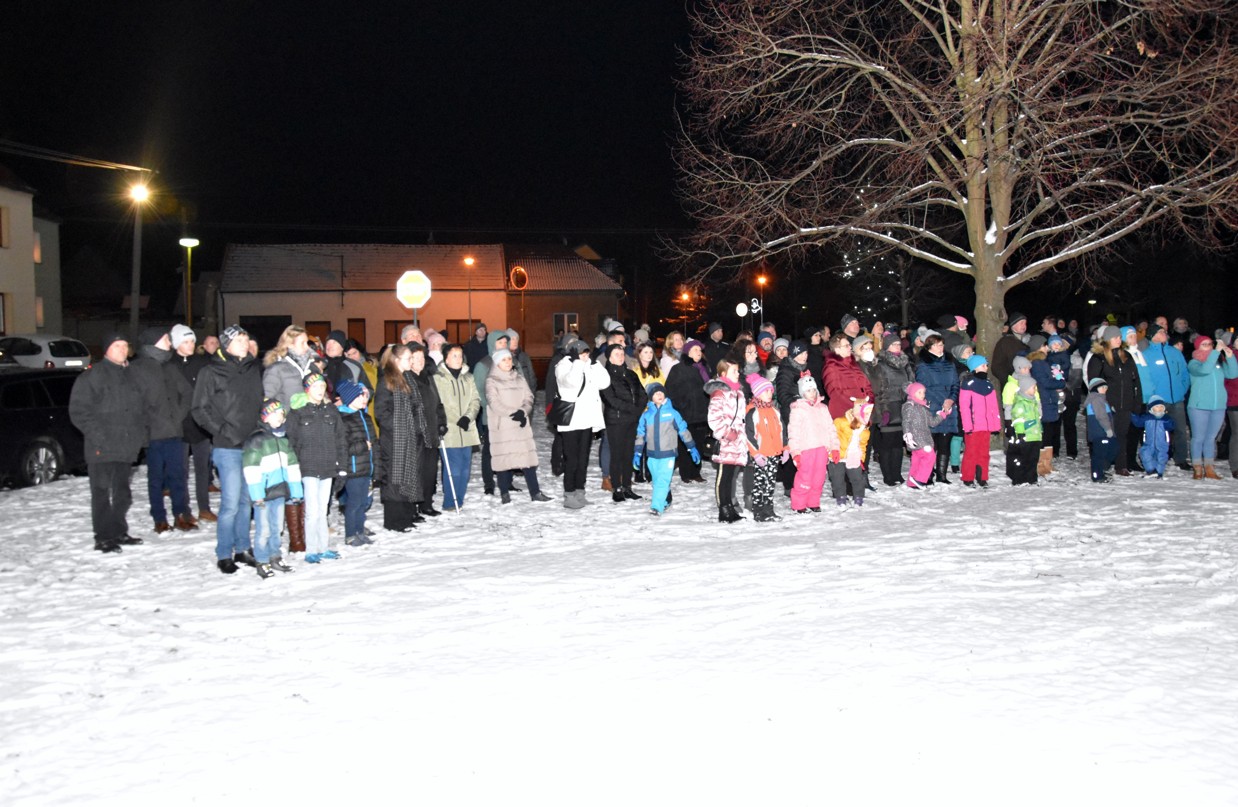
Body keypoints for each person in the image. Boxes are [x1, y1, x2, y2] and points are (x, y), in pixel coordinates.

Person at [192, 325, 265, 573]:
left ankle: (242, 548)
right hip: (227, 446)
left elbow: (260, 402)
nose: (245, 343)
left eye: (246, 339)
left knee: (246, 501)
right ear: (226, 345)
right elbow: (199, 409)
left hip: (252, 444)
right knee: (231, 503)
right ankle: (224, 553)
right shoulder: (211, 371)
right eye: (239, 340)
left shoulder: (254, 368)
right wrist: (222, 430)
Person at [69, 332, 148, 553]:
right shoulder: (92, 376)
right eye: (116, 346)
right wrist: (99, 437)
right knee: (102, 492)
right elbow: (79, 412)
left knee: (122, 494)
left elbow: (140, 409)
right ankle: (103, 536)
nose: (122, 350)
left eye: (124, 345)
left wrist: (140, 437)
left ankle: (118, 531)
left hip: (126, 445)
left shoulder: (132, 375)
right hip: (101, 447)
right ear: (106, 350)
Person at [130, 326, 196, 533]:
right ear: (154, 342)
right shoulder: (137, 368)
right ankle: (159, 518)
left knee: (178, 476)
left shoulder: (169, 367)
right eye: (166, 339)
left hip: (173, 431)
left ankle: (180, 514)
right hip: (153, 434)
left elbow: (187, 393)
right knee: (156, 478)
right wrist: (146, 423)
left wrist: (178, 415)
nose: (169, 342)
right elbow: (133, 402)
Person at [288, 371, 348, 562]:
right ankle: (311, 550)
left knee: (323, 510)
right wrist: (293, 468)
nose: (320, 390)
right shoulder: (298, 412)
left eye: (322, 386)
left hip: (328, 466)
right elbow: (292, 442)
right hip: (308, 466)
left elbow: (341, 439)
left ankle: (323, 547)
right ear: (307, 389)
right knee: (312, 511)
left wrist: (342, 466)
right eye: (315, 386)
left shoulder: (331, 411)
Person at [374, 345, 432, 531]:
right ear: (396, 360)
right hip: (395, 440)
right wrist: (401, 428)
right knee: (395, 479)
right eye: (409, 358)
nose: (412, 361)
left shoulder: (408, 379)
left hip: (411, 437)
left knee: (410, 476)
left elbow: (416, 406)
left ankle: (407, 516)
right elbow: (381, 412)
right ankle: (394, 520)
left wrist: (417, 427)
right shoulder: (386, 380)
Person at [242, 399, 302, 578]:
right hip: (264, 494)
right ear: (265, 417)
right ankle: (262, 560)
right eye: (275, 413)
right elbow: (251, 468)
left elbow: (292, 466)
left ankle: (275, 556)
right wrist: (257, 494)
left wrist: (296, 491)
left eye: (282, 414)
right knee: (264, 529)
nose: (279, 417)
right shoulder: (257, 439)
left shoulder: (284, 439)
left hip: (279, 492)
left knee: (277, 528)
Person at [485, 348, 553, 504]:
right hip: (503, 426)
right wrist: (513, 413)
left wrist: (523, 411)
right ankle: (504, 492)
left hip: (520, 425)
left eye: (509, 359)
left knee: (527, 458)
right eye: (504, 360)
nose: (508, 362)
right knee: (504, 459)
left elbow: (529, 397)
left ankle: (535, 492)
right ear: (497, 363)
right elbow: (494, 402)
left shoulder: (519, 378)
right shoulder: (492, 381)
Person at [554, 338, 611, 508]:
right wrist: (577, 363)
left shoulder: (589, 365)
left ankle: (580, 491)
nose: (585, 356)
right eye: (581, 353)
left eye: (587, 353)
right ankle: (569, 494)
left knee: (583, 458)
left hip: (587, 420)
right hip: (571, 421)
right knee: (571, 459)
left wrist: (594, 364)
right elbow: (571, 383)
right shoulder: (563, 366)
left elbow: (604, 382)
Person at [170, 325, 216, 523]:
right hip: (178, 425)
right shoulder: (169, 365)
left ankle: (204, 508)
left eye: (192, 341)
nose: (190, 345)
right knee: (180, 470)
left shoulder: (202, 363)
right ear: (176, 344)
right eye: (186, 342)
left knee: (202, 469)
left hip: (200, 425)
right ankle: (183, 510)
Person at [631, 383, 696, 516]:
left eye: (661, 392)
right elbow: (641, 434)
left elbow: (683, 430)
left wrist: (692, 447)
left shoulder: (672, 413)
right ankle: (666, 498)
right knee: (656, 481)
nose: (659, 395)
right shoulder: (646, 416)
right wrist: (637, 453)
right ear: (651, 397)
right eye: (656, 393)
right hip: (652, 455)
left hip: (668, 454)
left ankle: (656, 507)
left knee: (662, 481)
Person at [1087, 325, 1143, 476]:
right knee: (1107, 435)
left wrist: (1137, 401)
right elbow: (1094, 383)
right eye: (1115, 337)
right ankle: (1102, 464)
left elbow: (1135, 380)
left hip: (1126, 403)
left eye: (1119, 337)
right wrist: (1102, 403)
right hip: (1107, 404)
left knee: (1122, 435)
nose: (1118, 340)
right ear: (1107, 339)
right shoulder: (1098, 358)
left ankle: (1121, 465)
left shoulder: (1126, 356)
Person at [434, 343, 481, 510]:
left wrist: (468, 417)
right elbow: (439, 404)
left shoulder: (468, 377)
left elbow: (475, 400)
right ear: (446, 359)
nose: (458, 359)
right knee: (453, 468)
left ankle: (459, 500)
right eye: (454, 356)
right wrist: (454, 419)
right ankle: (450, 501)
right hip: (448, 429)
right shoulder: (438, 379)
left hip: (467, 428)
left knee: (465, 469)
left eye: (460, 355)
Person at [599, 343, 647, 502]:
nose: (620, 357)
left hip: (632, 420)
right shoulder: (605, 375)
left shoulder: (631, 374)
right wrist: (632, 409)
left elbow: (642, 394)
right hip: (616, 420)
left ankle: (627, 486)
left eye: (622, 354)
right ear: (609, 357)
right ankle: (617, 488)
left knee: (628, 454)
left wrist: (638, 409)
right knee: (617, 454)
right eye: (616, 354)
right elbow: (610, 399)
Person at [1186, 334, 1238, 479]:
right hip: (1199, 406)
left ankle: (1209, 468)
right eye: (1204, 344)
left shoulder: (1217, 363)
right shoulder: (1194, 363)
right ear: (1197, 347)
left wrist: (1230, 357)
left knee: (1211, 438)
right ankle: (1197, 467)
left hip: (1218, 406)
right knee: (1198, 437)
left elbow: (1233, 373)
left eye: (1210, 344)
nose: (1208, 347)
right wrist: (1215, 352)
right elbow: (1205, 370)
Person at [1141, 323, 1192, 469]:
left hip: (1177, 398)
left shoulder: (1174, 352)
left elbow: (1184, 372)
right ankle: (1154, 458)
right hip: (1158, 401)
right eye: (1161, 332)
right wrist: (1152, 397)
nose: (1165, 333)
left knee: (1180, 430)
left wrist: (1182, 389)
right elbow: (1145, 378)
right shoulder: (1146, 355)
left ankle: (1181, 458)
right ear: (1153, 336)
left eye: (1164, 331)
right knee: (1156, 431)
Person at [333, 380, 377, 546]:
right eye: (360, 397)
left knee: (362, 502)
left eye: (365, 396)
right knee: (354, 503)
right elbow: (342, 447)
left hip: (366, 466)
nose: (364, 399)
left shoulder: (365, 417)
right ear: (350, 398)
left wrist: (376, 463)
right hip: (353, 468)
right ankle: (351, 534)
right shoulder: (343, 420)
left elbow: (374, 442)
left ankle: (360, 531)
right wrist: (362, 446)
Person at [705, 358, 748, 523]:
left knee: (730, 477)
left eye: (738, 370)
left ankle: (730, 507)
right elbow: (714, 419)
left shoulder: (738, 392)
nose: (738, 374)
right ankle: (723, 509)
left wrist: (740, 436)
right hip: (725, 441)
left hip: (737, 441)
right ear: (723, 374)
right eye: (733, 371)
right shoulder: (719, 393)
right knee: (723, 477)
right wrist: (728, 434)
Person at [787, 375, 837, 513]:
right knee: (805, 477)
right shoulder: (798, 409)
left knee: (819, 478)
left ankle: (813, 501)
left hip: (822, 448)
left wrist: (834, 447)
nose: (812, 393)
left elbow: (831, 428)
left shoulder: (823, 408)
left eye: (814, 390)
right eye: (808, 390)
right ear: (802, 392)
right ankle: (799, 504)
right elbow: (793, 432)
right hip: (806, 449)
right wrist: (795, 452)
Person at [664, 339, 711, 484]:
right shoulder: (678, 369)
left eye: (700, 350)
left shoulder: (703, 368)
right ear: (688, 352)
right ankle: (685, 473)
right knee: (685, 444)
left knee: (699, 443)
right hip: (686, 414)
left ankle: (696, 472)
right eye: (695, 350)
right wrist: (681, 405)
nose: (699, 352)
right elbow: (669, 390)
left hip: (701, 413)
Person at [472, 328, 512, 496]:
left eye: (505, 342)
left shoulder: (511, 361)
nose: (503, 345)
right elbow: (479, 391)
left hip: (510, 415)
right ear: (492, 344)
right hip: (492, 414)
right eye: (500, 342)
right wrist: (491, 406)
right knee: (490, 450)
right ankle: (489, 483)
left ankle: (507, 481)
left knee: (508, 448)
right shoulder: (484, 365)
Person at [915, 334, 959, 484]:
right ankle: (927, 475)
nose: (941, 347)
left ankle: (942, 475)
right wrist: (940, 402)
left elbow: (955, 384)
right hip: (932, 407)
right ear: (930, 347)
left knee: (945, 442)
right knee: (931, 443)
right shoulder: (923, 365)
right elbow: (922, 387)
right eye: (938, 345)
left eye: (942, 344)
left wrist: (951, 399)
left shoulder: (950, 363)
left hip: (949, 407)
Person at [407, 344, 446, 515]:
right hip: (416, 433)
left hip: (431, 432)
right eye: (415, 358)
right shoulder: (407, 380)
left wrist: (442, 422)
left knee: (430, 471)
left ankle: (426, 503)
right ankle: (413, 507)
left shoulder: (428, 378)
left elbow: (438, 403)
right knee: (416, 471)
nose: (420, 361)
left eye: (422, 357)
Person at [744, 373, 786, 522]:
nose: (769, 394)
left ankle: (768, 509)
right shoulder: (753, 412)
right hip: (761, 455)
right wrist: (755, 454)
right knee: (759, 483)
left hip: (774, 453)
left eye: (770, 391)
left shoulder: (774, 411)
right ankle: (758, 510)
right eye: (766, 391)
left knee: (770, 483)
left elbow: (782, 430)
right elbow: (749, 435)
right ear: (757, 393)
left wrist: (785, 448)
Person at [872, 339, 913, 486]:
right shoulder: (881, 363)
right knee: (888, 442)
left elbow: (911, 382)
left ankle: (897, 473)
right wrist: (882, 408)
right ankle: (888, 475)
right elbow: (879, 387)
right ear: (886, 347)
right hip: (888, 405)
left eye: (898, 344)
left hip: (903, 405)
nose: (897, 346)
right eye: (893, 344)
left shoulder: (905, 363)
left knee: (898, 442)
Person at [958, 355, 1000, 487]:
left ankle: (982, 477)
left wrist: (995, 425)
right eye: (983, 365)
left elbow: (994, 407)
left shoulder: (988, 385)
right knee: (971, 453)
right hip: (974, 426)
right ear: (975, 368)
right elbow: (964, 407)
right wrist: (967, 426)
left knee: (984, 453)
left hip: (986, 426)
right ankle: (968, 477)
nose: (986, 368)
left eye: (986, 365)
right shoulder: (968, 384)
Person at [263, 325, 317, 409]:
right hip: (287, 416)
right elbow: (267, 401)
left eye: (307, 342)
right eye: (302, 343)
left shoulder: (311, 366)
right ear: (290, 344)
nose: (307, 347)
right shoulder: (276, 369)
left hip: (311, 416)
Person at [901, 382, 944, 489]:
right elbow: (906, 421)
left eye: (923, 392)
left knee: (917, 459)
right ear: (912, 393)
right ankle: (919, 479)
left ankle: (912, 482)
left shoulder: (923, 407)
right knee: (930, 455)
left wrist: (942, 415)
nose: (922, 394)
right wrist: (907, 434)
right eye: (919, 392)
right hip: (915, 437)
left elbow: (932, 423)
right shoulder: (909, 406)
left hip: (925, 437)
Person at [832, 397, 873, 507]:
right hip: (839, 455)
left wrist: (861, 458)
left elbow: (863, 446)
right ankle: (841, 497)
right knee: (837, 478)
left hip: (854, 456)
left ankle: (858, 497)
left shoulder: (865, 430)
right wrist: (833, 450)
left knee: (857, 478)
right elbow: (832, 435)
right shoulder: (841, 421)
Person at [823, 333, 873, 419]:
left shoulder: (854, 365)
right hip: (845, 414)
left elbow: (866, 385)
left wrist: (868, 402)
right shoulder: (831, 367)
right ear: (837, 349)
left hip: (862, 412)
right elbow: (836, 393)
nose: (850, 347)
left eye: (849, 345)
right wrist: (857, 406)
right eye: (846, 346)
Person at [1007, 376, 1042, 485]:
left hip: (1035, 435)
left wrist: (1040, 429)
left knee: (1033, 458)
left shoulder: (1033, 402)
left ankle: (1032, 478)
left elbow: (1037, 418)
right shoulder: (1020, 403)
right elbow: (1018, 420)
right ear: (1025, 388)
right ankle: (1019, 479)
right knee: (1023, 458)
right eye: (1033, 387)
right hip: (1026, 436)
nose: (1035, 389)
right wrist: (1020, 433)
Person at [1131, 395, 1174, 479]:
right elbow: (1138, 422)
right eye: (1157, 407)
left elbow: (1171, 426)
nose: (1159, 409)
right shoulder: (1147, 417)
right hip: (1148, 443)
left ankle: (1159, 471)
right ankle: (1151, 469)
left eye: (1161, 407)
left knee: (1161, 457)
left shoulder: (1165, 419)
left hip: (1162, 443)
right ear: (1151, 408)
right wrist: (1132, 415)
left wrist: (1168, 421)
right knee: (1145, 454)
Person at [1085, 378, 1118, 483]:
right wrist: (1108, 429)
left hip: (1103, 432)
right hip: (1100, 432)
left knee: (1112, 448)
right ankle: (1097, 475)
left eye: (1106, 387)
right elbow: (1101, 416)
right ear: (1095, 389)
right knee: (1100, 454)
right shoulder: (1096, 399)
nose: (1105, 389)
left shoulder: (1101, 399)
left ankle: (1103, 469)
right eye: (1102, 387)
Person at [991, 312, 1030, 393]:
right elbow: (996, 367)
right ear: (1013, 326)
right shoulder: (1005, 342)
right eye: (1021, 323)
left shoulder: (1027, 342)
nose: (1024, 326)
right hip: (1013, 387)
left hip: (1028, 384)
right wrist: (1010, 381)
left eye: (1025, 323)